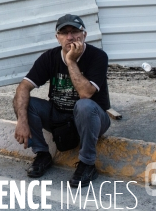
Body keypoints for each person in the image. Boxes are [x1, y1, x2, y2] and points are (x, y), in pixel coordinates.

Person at [12, 14, 111, 187]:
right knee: (25, 102)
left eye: (74, 31)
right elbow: (23, 87)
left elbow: (86, 93)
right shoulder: (49, 57)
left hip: (92, 118)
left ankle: (87, 163)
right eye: (64, 33)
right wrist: (21, 120)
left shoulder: (98, 56)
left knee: (84, 105)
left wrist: (71, 61)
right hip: (58, 115)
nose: (70, 37)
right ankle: (42, 154)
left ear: (84, 35)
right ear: (57, 38)